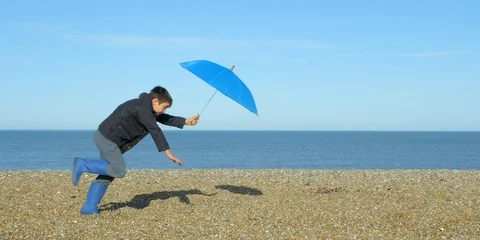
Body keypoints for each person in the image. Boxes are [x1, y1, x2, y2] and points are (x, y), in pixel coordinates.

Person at [72, 86, 200, 215]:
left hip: (112, 140)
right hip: (107, 139)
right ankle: (83, 164)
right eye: (164, 107)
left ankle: (89, 208)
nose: (164, 110)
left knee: (109, 173)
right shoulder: (142, 108)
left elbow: (163, 118)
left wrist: (185, 121)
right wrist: (168, 153)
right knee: (118, 170)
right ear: (155, 101)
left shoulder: (148, 108)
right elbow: (155, 130)